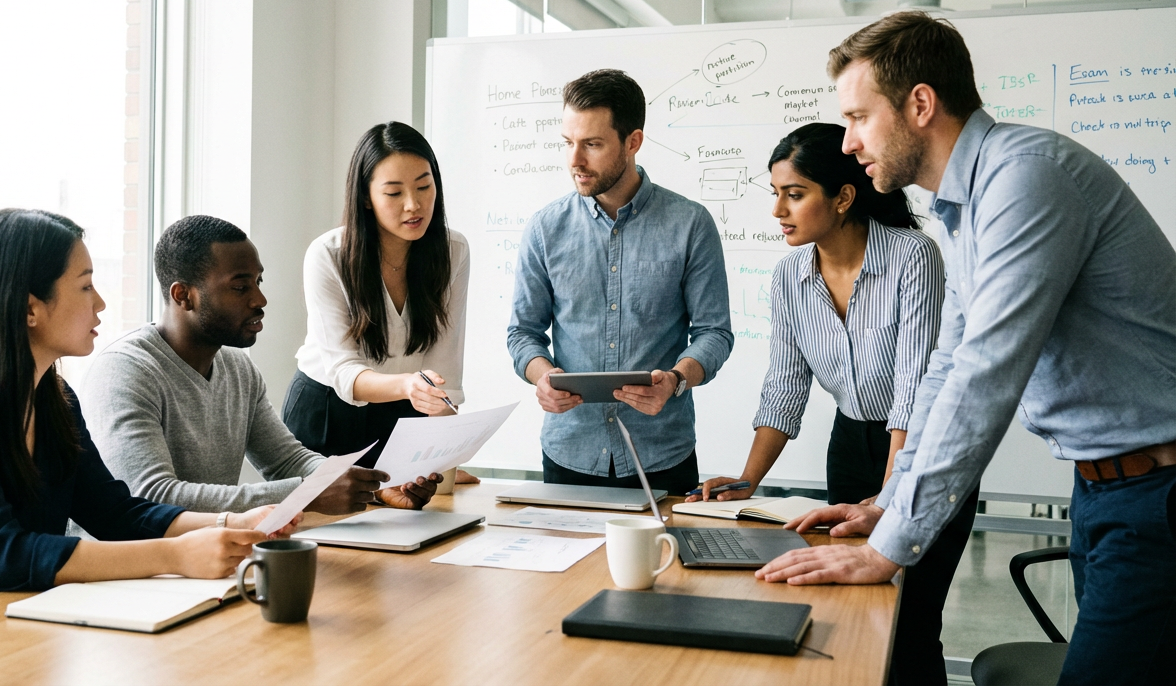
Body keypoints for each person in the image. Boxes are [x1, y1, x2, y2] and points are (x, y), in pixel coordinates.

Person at [754, 11, 1176, 686]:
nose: (848, 139)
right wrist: (890, 498)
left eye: (859, 116)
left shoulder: (1026, 178)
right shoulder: (966, 206)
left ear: (919, 104)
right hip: (1103, 490)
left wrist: (890, 547)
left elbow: (988, 372)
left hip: (1157, 497)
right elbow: (947, 368)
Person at [0, 210, 298, 644]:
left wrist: (231, 523)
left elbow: (115, 514)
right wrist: (177, 555)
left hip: (2, 621)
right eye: (85, 287)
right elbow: (4, 555)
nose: (101, 303)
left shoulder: (54, 398)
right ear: (30, 307)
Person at [688, 122, 970, 685]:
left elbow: (913, 392)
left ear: (843, 197)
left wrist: (890, 497)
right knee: (854, 609)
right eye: (776, 194)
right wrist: (748, 480)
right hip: (851, 445)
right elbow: (785, 385)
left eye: (794, 194)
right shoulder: (791, 274)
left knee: (910, 621)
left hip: (921, 453)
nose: (778, 211)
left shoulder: (912, 257)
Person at [81, 215, 440, 517]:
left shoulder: (238, 369)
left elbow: (288, 461)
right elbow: (153, 496)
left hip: (204, 560)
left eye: (258, 281)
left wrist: (374, 486)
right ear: (183, 295)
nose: (260, 299)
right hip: (130, 577)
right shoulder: (125, 372)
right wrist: (305, 494)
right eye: (240, 287)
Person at [507, 69, 733, 494]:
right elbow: (523, 333)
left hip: (663, 454)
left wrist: (677, 379)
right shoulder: (544, 228)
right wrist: (542, 377)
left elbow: (714, 333)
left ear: (633, 142)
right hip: (569, 452)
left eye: (591, 144)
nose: (574, 160)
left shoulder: (690, 225)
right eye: (568, 143)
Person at [284, 122, 474, 477]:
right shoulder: (328, 255)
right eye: (393, 193)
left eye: (424, 186)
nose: (413, 205)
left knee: (418, 518)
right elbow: (343, 372)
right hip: (328, 410)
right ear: (365, 198)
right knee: (327, 529)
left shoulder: (453, 252)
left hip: (406, 408)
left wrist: (446, 460)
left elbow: (444, 368)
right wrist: (408, 385)